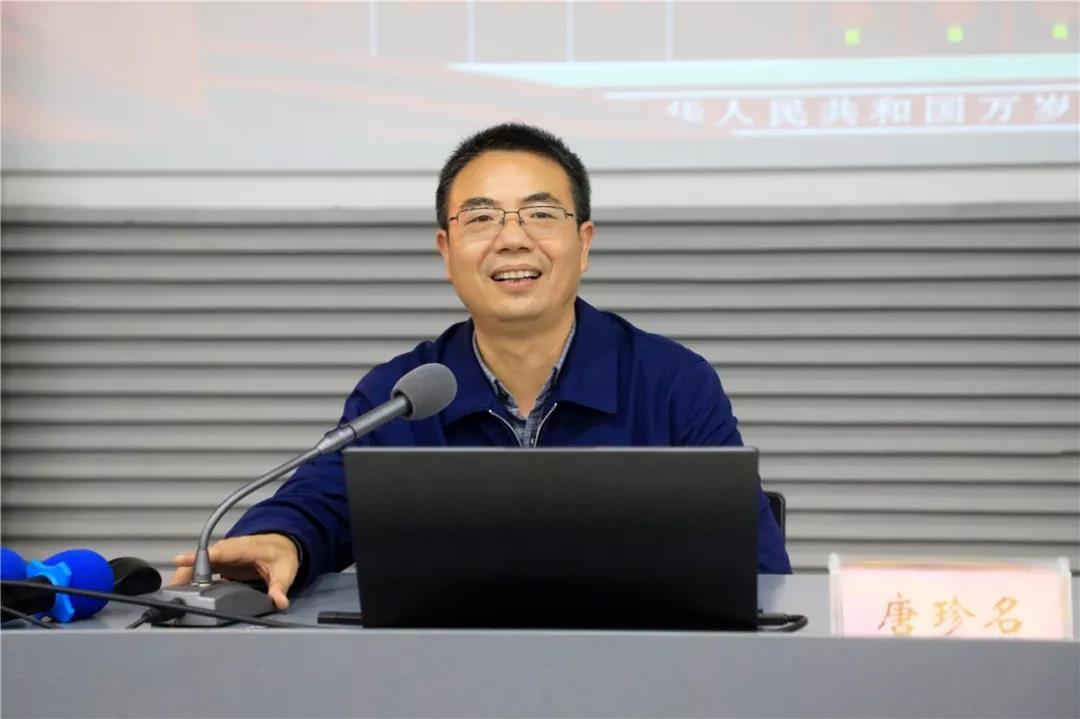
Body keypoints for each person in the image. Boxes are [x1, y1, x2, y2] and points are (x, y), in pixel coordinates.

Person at [172, 123, 792, 608]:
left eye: (541, 214)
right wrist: (280, 538)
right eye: (482, 218)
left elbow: (759, 575)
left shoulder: (672, 383)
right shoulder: (402, 395)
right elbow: (319, 502)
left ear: (584, 243)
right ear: (447, 250)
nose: (513, 238)